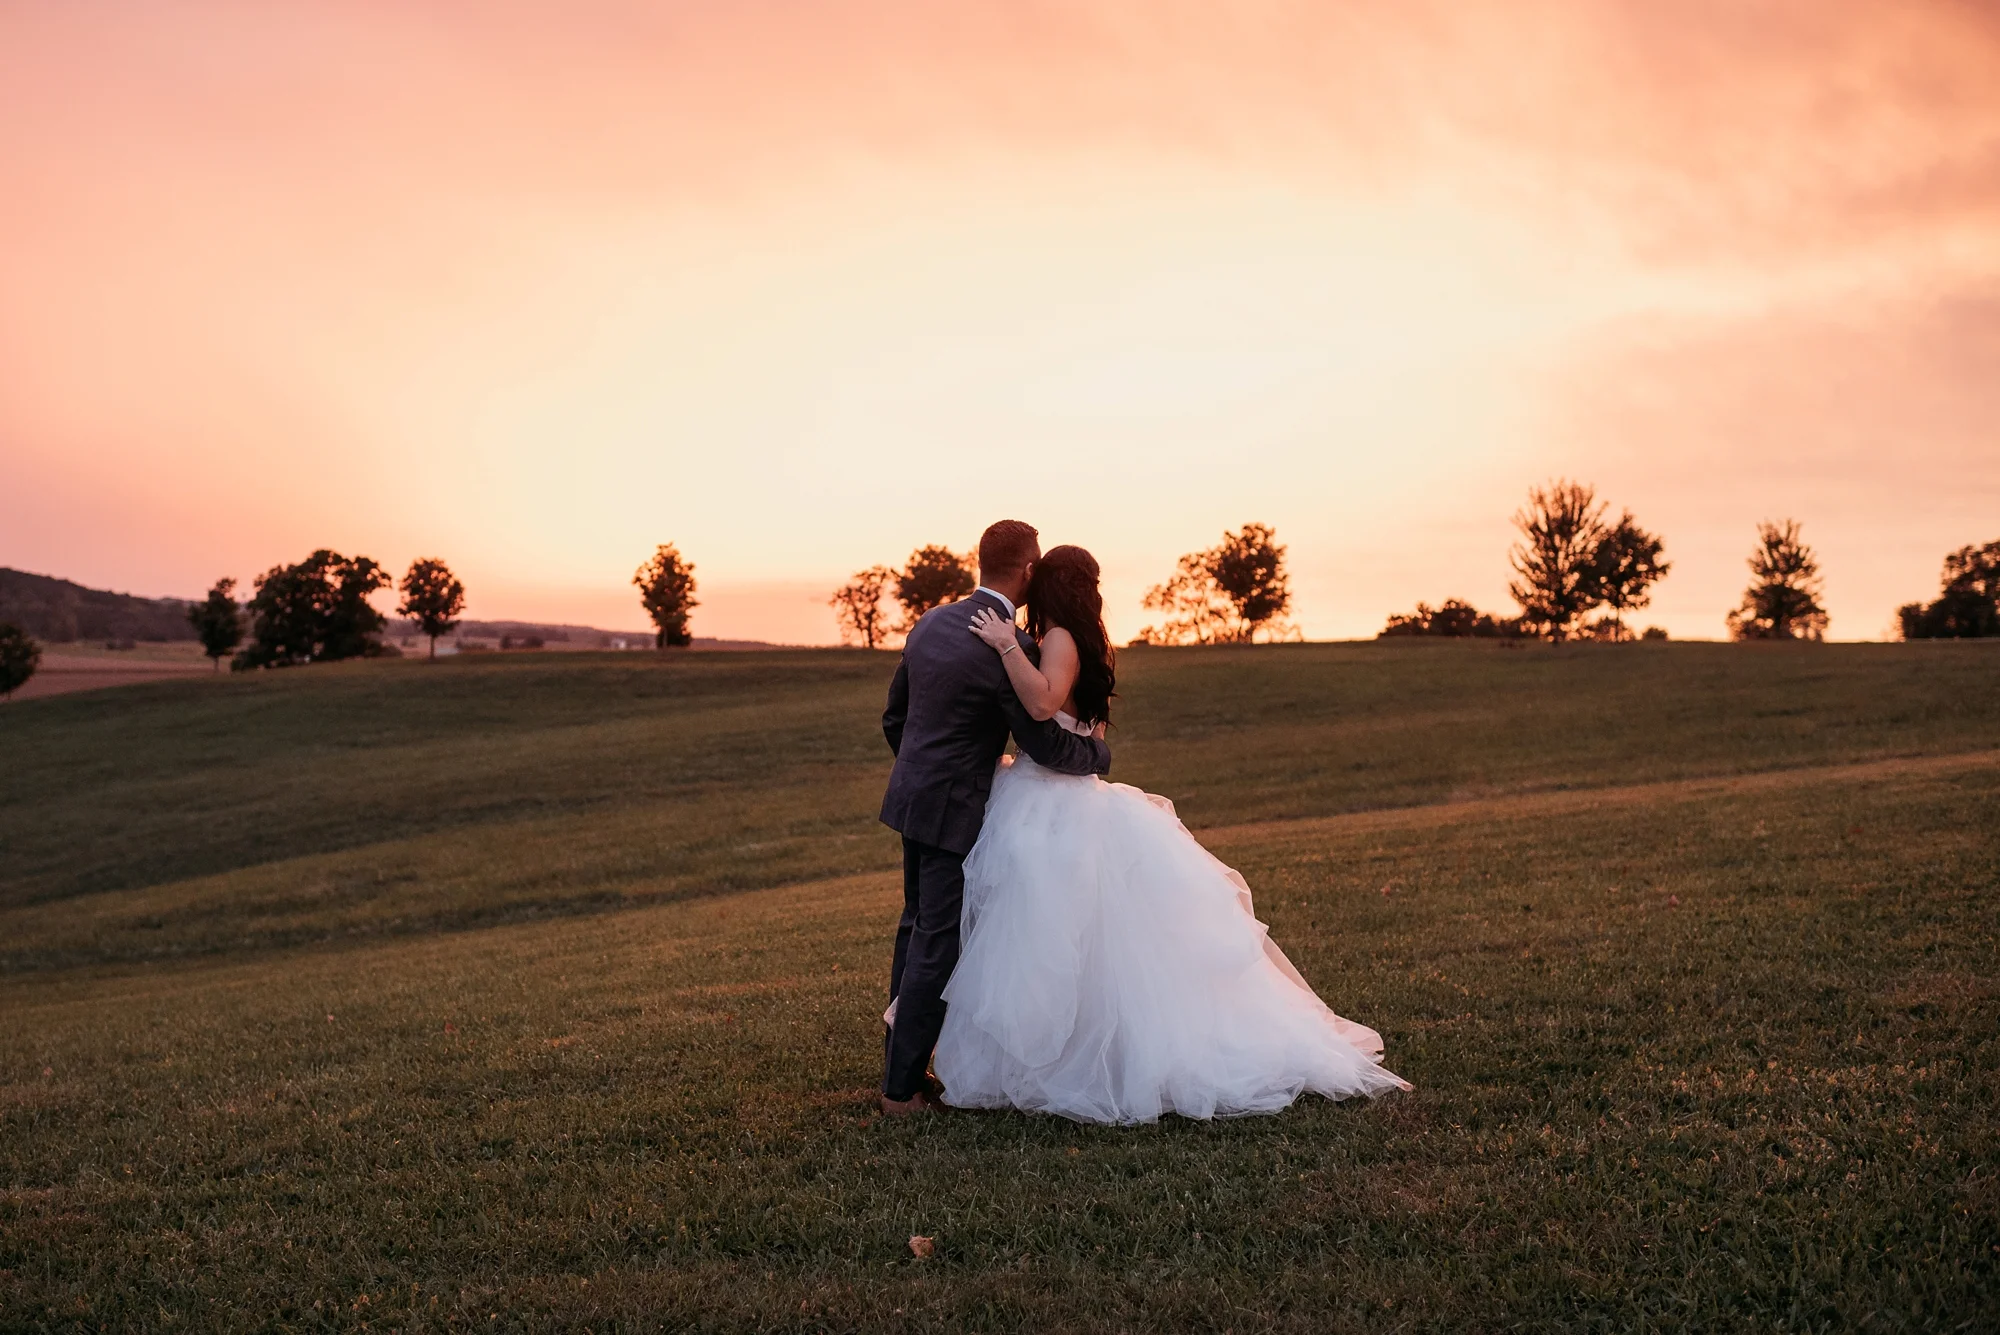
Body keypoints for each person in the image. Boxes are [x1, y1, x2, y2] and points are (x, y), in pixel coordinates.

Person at [933, 543, 1409, 1123]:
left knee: (1049, 935)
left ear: (1048, 586)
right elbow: (1085, 729)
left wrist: (1006, 644)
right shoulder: (1086, 640)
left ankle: (1064, 1062)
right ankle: (1078, 1055)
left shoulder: (1056, 639)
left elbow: (1042, 704)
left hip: (1049, 802)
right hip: (1064, 794)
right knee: (1081, 938)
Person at [877, 520, 1112, 1116]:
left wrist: (923, 772)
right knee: (937, 941)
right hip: (954, 810)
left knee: (915, 928)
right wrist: (1098, 755)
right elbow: (1045, 744)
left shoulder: (931, 622)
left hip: (911, 798)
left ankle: (901, 1063)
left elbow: (895, 717)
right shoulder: (1012, 647)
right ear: (1028, 571)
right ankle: (900, 1092)